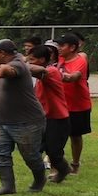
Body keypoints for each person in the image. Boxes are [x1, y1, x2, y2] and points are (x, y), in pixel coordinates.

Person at [0, 39, 48, 195]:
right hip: (3, 120)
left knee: (30, 155)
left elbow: (7, 70)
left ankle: (39, 180)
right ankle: (8, 186)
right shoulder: (1, 65)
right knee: (1, 152)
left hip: (26, 121)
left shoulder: (17, 64)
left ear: (2, 53)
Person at [31, 44, 71, 186]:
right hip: (43, 118)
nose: (29, 61)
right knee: (35, 149)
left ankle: (64, 170)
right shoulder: (43, 73)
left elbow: (31, 70)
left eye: (32, 59)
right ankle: (39, 177)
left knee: (54, 153)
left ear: (42, 60)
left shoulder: (52, 71)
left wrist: (15, 64)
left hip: (57, 119)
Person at [53, 34, 90, 174]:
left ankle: (75, 164)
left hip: (78, 105)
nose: (59, 48)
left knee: (75, 135)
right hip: (60, 104)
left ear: (72, 47)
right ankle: (57, 165)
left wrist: (57, 75)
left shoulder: (80, 61)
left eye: (62, 45)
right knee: (57, 136)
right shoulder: (59, 58)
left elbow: (73, 77)